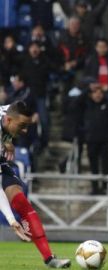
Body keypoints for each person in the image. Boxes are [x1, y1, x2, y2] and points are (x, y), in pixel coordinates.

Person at [0, 101, 71, 268]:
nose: (25, 131)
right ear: (9, 120)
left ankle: (49, 258)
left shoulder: (9, 112)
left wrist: (8, 139)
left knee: (21, 201)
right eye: (22, 126)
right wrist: (11, 219)